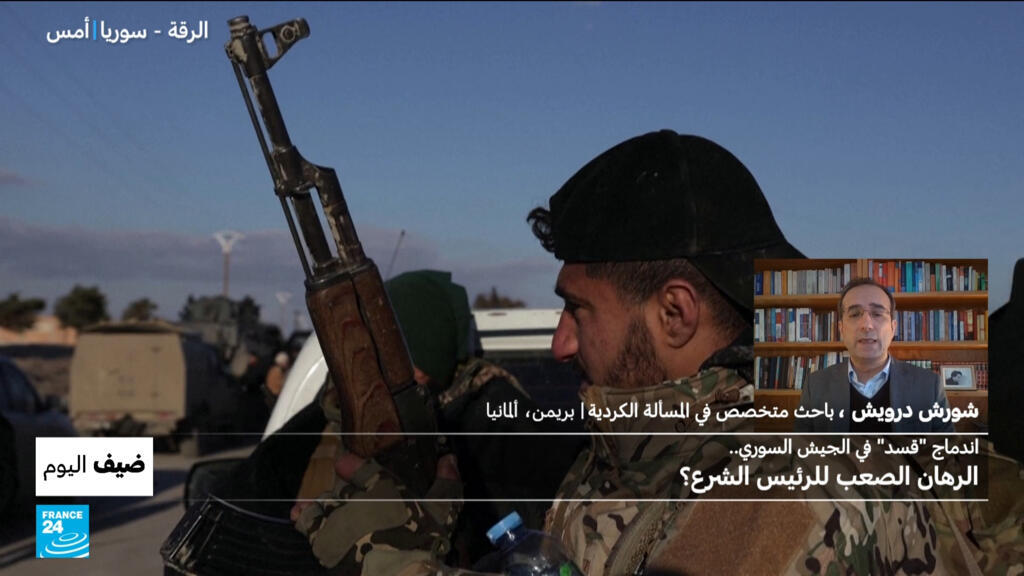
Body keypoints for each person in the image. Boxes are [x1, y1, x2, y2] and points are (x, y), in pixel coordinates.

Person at [292, 131, 1018, 575]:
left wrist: (391, 562)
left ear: (675, 312)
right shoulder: (643, 449)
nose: (560, 343)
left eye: (579, 310)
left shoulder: (788, 493)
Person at [794, 277, 955, 433]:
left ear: (893, 328)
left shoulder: (929, 386)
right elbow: (802, 448)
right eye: (855, 314)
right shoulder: (815, 386)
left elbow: (945, 449)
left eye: (877, 314)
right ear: (841, 329)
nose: (867, 325)